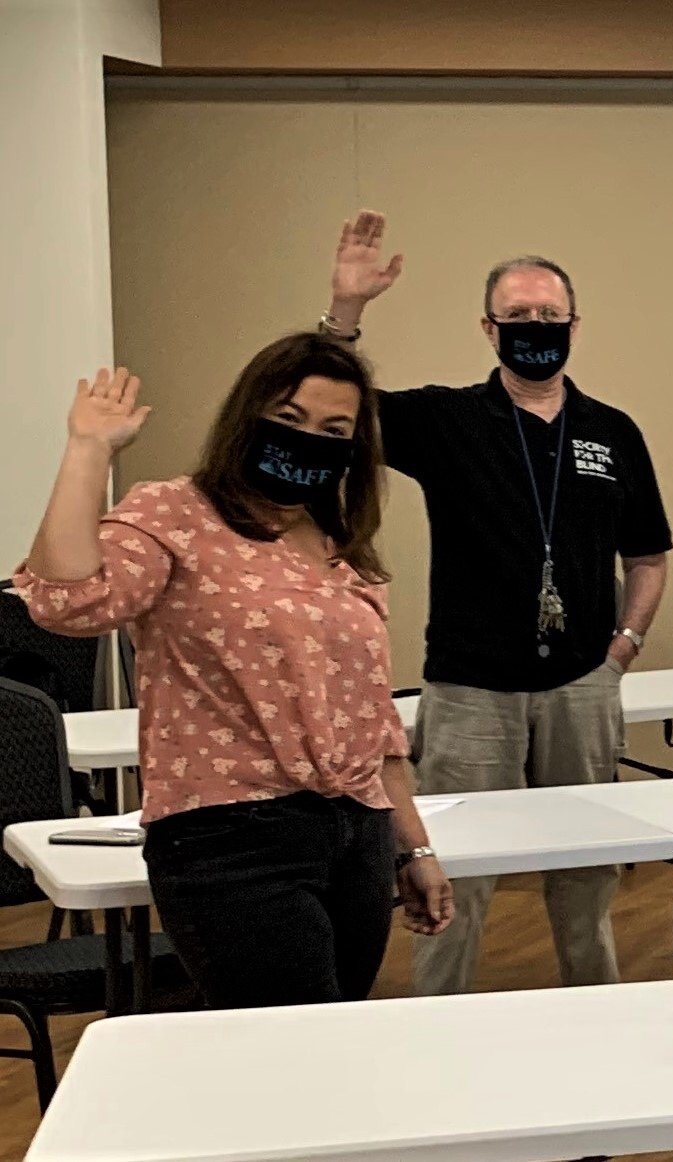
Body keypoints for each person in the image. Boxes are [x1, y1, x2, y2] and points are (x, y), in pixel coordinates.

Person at [12, 337, 453, 1007]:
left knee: (341, 1044)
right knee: (293, 1054)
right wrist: (88, 450)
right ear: (248, 416)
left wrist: (412, 850)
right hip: (233, 835)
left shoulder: (343, 547)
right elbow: (68, 600)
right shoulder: (175, 513)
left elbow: (376, 721)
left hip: (356, 833)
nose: (309, 440)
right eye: (289, 418)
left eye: (335, 431)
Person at [321, 210, 673, 994]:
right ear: (489, 328)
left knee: (585, 868)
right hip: (470, 687)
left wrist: (623, 648)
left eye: (550, 316)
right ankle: (438, 1017)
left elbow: (648, 556)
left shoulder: (612, 432)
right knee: (457, 870)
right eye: (518, 317)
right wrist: (346, 312)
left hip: (583, 682)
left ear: (575, 325)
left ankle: (596, 1006)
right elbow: (335, 412)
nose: (535, 328)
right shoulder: (447, 420)